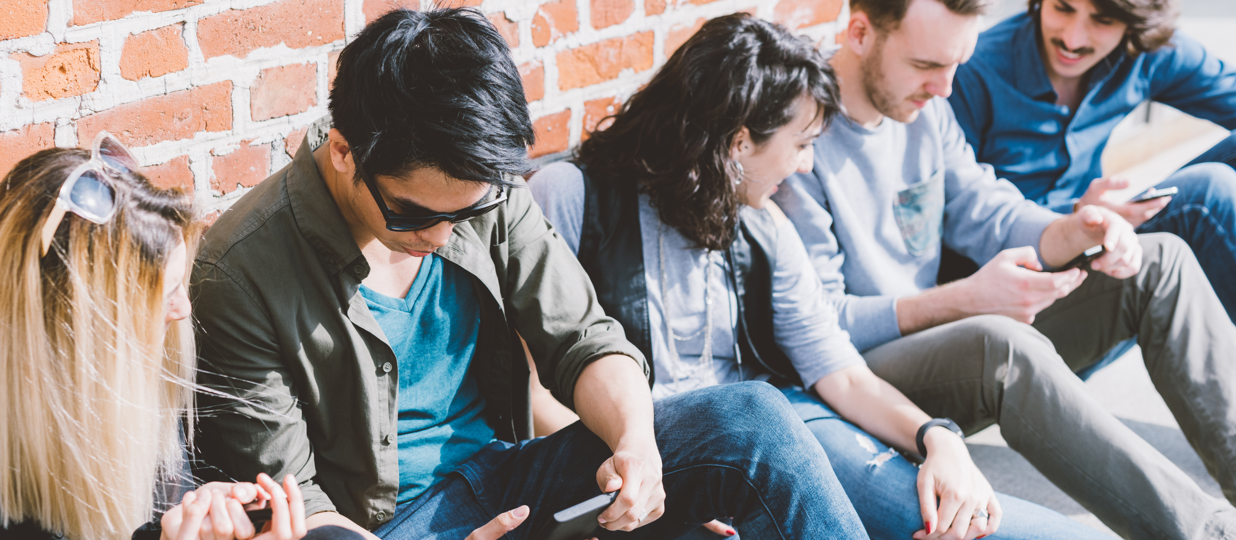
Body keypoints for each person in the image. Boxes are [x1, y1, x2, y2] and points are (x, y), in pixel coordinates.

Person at [188, 7, 867, 540]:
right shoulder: (240, 269)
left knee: (750, 421)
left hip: (507, 475)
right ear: (343, 151)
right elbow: (294, 511)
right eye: (414, 214)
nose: (441, 235)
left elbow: (583, 338)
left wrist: (636, 444)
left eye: (470, 210)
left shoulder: (485, 186)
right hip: (382, 528)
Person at [529, 13, 1109, 540]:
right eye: (802, 144)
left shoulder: (764, 222)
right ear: (737, 144)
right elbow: (533, 395)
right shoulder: (571, 197)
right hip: (634, 469)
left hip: (779, 435)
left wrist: (940, 439)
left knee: (1040, 534)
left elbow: (843, 376)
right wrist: (645, 475)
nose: (806, 164)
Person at [768, 0, 1236, 537]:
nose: (946, 87)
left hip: (944, 340)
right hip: (863, 377)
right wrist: (968, 298)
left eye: (955, 65)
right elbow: (819, 330)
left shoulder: (923, 105)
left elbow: (986, 208)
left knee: (1159, 262)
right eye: (927, 67)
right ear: (859, 33)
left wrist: (1080, 228)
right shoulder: (799, 143)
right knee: (1002, 344)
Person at [0, 136, 362, 540]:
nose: (182, 310)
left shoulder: (128, 377)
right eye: (163, 294)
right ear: (73, 326)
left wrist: (201, 522)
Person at [949, 0, 1236, 320]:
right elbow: (954, 213)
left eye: (1103, 20)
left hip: (1099, 248)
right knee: (1208, 192)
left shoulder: (1145, 51)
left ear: (1132, 23)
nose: (1073, 39)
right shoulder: (972, 69)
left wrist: (1092, 221)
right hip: (1005, 291)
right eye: (1062, 8)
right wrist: (1073, 216)